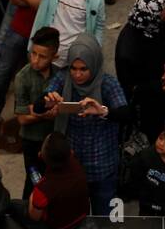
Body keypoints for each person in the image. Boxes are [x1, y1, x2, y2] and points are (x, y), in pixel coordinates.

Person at [41, 32, 129, 216]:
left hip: (102, 165)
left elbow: (125, 113)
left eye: (83, 69)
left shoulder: (108, 83)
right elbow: (40, 102)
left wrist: (103, 110)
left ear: (94, 64)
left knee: (103, 217)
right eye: (73, 68)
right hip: (72, 165)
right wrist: (49, 101)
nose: (77, 74)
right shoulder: (63, 79)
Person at [115, 0, 165, 141]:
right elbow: (131, 87)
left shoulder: (159, 22)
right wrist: (162, 84)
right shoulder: (128, 49)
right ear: (153, 15)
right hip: (146, 104)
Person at [13, 26, 61, 199]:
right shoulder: (22, 78)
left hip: (53, 139)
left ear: (54, 55)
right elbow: (22, 119)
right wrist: (42, 116)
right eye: (33, 53)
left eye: (42, 56)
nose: (35, 60)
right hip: (31, 142)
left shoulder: (60, 75)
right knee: (34, 181)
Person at [9, 130, 90, 229]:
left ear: (42, 156)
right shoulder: (76, 164)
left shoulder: (44, 189)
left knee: (12, 205)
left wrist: (33, 195)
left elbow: (34, 217)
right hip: (80, 217)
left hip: (57, 228)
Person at [126, 117, 165, 216]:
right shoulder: (145, 155)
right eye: (160, 138)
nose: (161, 143)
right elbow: (135, 178)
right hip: (147, 208)